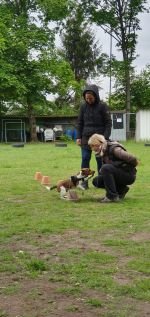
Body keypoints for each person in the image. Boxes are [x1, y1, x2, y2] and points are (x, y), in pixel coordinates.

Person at [76, 84, 112, 186]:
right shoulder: (83, 107)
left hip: (99, 139)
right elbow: (80, 123)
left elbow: (108, 123)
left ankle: (101, 182)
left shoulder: (102, 106)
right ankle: (83, 182)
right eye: (87, 98)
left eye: (91, 98)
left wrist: (104, 138)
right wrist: (78, 137)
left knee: (100, 161)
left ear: (95, 96)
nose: (89, 100)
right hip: (86, 138)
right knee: (85, 158)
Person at [88, 134, 139, 203]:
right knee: (97, 181)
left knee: (106, 168)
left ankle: (111, 196)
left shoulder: (114, 149)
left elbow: (132, 159)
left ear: (97, 144)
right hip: (120, 173)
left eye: (92, 146)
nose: (92, 149)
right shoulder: (104, 151)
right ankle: (122, 189)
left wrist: (129, 169)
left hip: (128, 175)